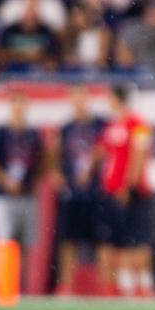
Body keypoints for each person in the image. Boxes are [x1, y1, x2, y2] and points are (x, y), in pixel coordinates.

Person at [0, 88, 51, 288]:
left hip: (26, 196)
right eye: (16, 105)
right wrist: (4, 180)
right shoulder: (0, 133)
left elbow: (44, 159)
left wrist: (34, 180)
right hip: (4, 196)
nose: (19, 109)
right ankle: (3, 285)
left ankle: (18, 286)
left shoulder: (33, 134)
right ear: (11, 107)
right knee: (4, 241)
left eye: (22, 105)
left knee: (24, 245)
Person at [95, 83, 154, 298]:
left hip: (131, 190)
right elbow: (104, 152)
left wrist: (128, 185)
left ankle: (143, 284)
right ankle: (124, 284)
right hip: (111, 190)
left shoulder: (138, 123)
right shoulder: (112, 125)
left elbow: (139, 154)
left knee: (137, 238)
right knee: (118, 239)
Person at [55, 84, 105, 295]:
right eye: (75, 98)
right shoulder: (66, 128)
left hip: (95, 191)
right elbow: (57, 153)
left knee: (102, 241)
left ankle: (106, 287)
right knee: (69, 241)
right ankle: (66, 286)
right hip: (73, 192)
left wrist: (91, 166)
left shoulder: (100, 124)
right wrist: (57, 174)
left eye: (82, 97)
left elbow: (105, 148)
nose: (79, 102)